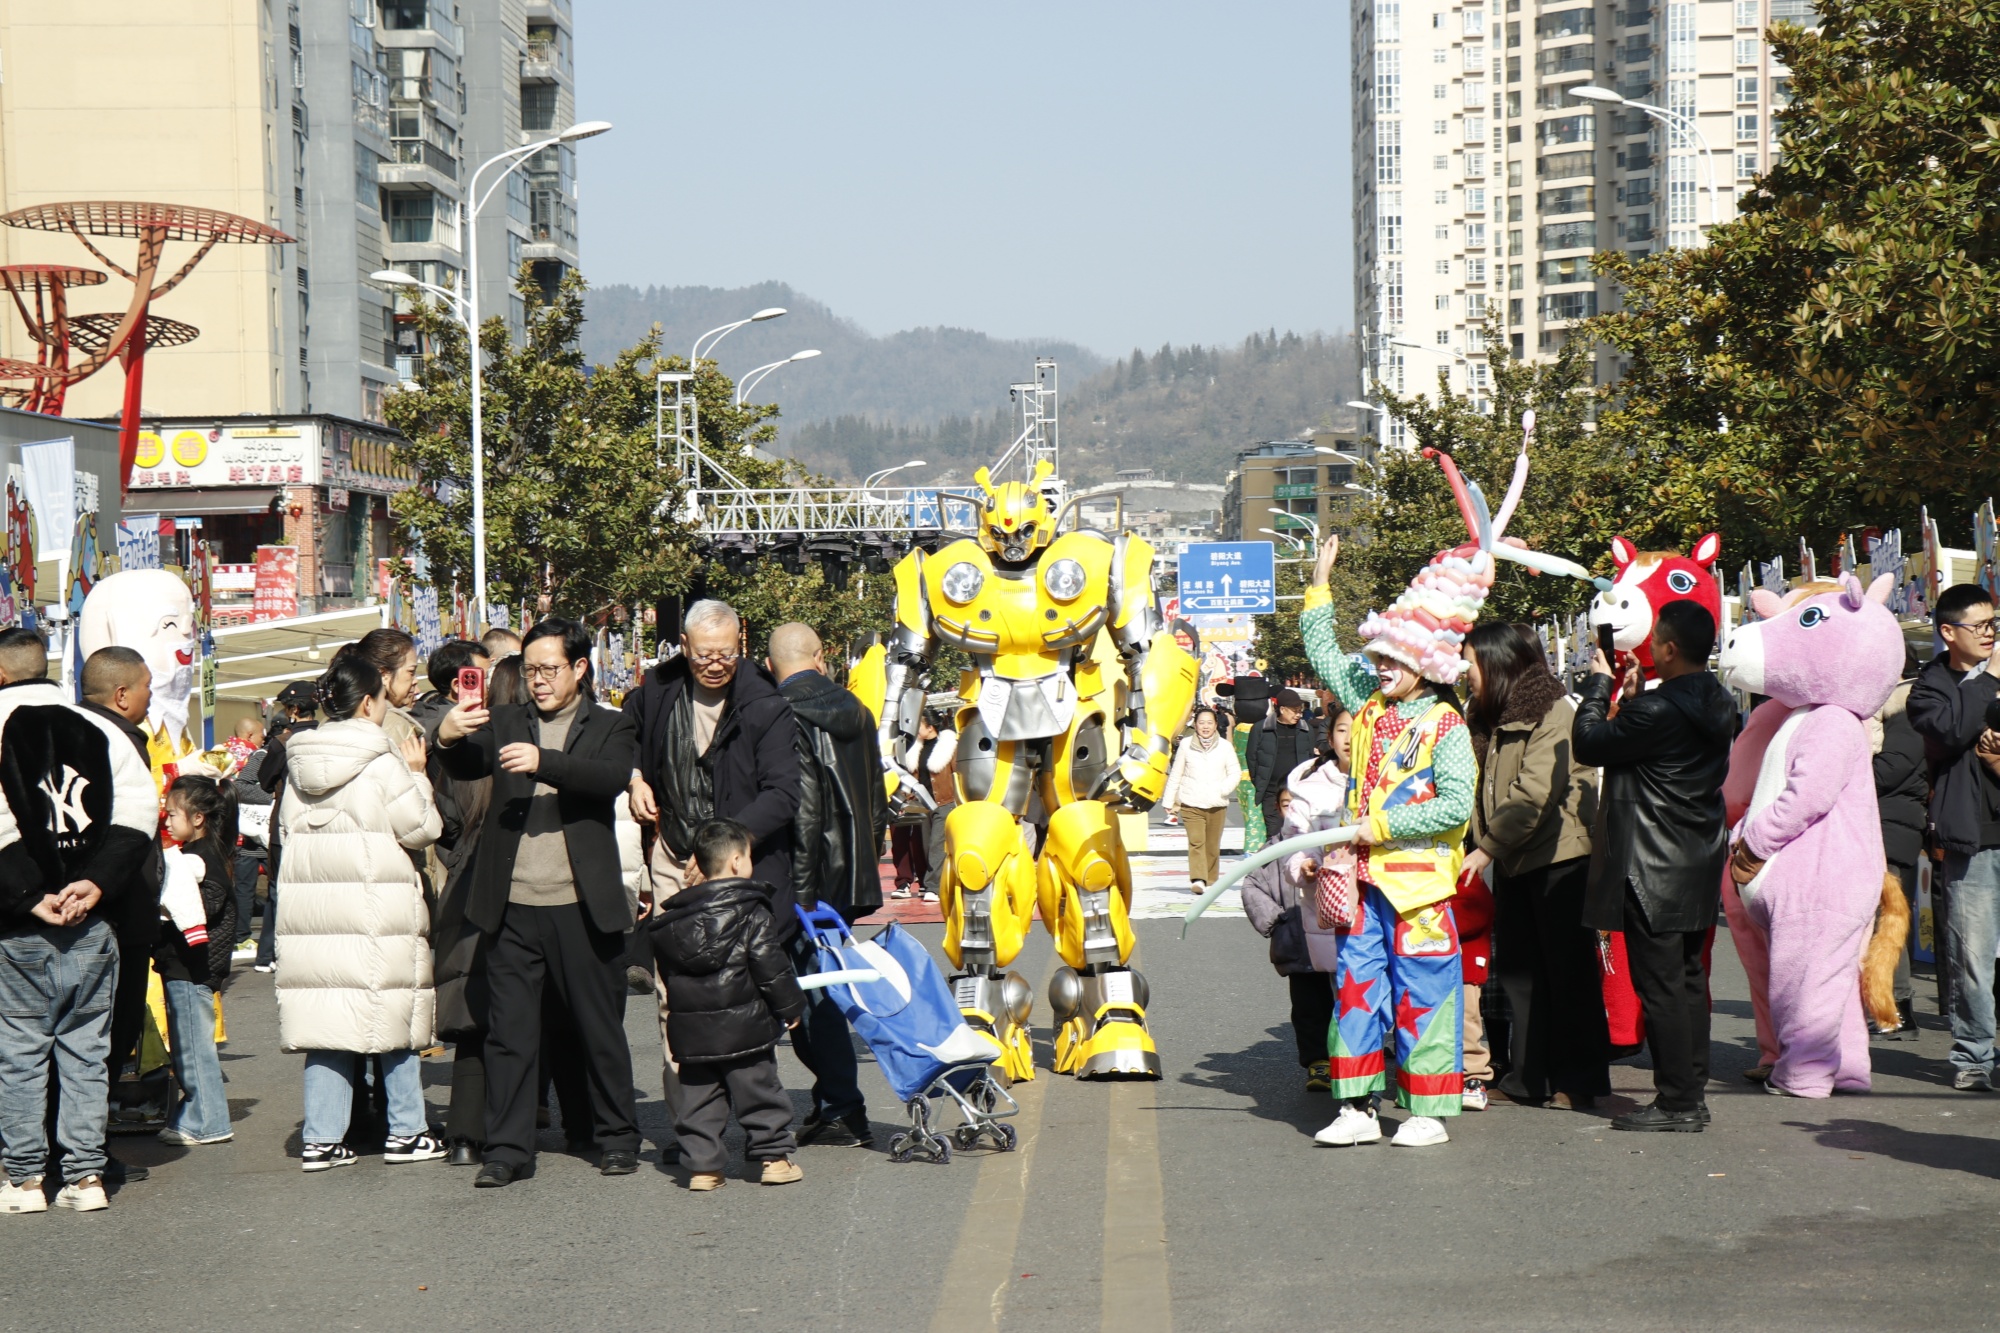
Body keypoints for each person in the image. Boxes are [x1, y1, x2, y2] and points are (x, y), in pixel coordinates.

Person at [438, 619, 643, 1188]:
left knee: (598, 1028)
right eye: (530, 671)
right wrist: (449, 736)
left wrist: (543, 762)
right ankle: (507, 1148)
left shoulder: (609, 723)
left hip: (582, 904)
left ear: (580, 668)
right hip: (513, 905)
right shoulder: (505, 721)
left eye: (550, 669)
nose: (539, 681)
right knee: (510, 1034)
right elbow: (464, 765)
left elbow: (609, 777)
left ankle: (618, 1138)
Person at [1303, 538, 1474, 1149]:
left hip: (1420, 890)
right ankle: (1357, 1107)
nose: (1379, 667)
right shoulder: (1370, 708)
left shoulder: (1446, 725)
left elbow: (1456, 807)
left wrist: (1381, 826)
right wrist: (1319, 581)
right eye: (1378, 656)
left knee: (1425, 994)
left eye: (1393, 659)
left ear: (1425, 663)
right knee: (1355, 990)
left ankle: (1429, 1112)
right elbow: (1323, 654)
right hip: (1361, 885)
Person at [623, 600, 801, 1138]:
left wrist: (726, 848)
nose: (715, 664)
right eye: (704, 655)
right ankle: (693, 1129)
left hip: (735, 868)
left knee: (739, 994)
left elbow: (783, 793)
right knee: (674, 997)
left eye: (725, 654)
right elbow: (621, 737)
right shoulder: (657, 690)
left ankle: (759, 1128)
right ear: (684, 645)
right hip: (673, 856)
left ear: (740, 644)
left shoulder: (765, 703)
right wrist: (635, 779)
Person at [0, 628, 157, 1214]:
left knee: (20, 1054)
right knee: (86, 1054)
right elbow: (139, 809)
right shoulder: (94, 726)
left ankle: (23, 1179)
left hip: (18, 926)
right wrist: (95, 881)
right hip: (92, 918)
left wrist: (25, 891)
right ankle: (85, 1177)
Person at [274, 648, 445, 1171]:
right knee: (392, 1021)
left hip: (314, 917)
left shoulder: (298, 763)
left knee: (328, 1025)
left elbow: (283, 833)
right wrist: (417, 776)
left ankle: (322, 1139)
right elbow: (423, 828)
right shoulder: (382, 761)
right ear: (370, 703)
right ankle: (407, 1131)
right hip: (376, 910)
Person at [1574, 600, 1735, 1132]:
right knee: (1688, 979)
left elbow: (1590, 742)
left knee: (1662, 985)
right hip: (1695, 856)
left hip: (1650, 863)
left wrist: (1599, 687)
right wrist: (1636, 700)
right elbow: (1657, 750)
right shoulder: (1718, 701)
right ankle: (1691, 1091)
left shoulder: (1658, 710)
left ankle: (1677, 1102)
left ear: (1668, 648)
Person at [1460, 622, 1609, 1110]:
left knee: (1567, 974)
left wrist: (1487, 848)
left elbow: (1534, 793)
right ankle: (1529, 1078)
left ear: (1499, 663)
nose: (1467, 672)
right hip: (1513, 858)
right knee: (1521, 974)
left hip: (1558, 856)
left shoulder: (1553, 710)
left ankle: (1581, 1081)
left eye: (1472, 662)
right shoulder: (1484, 714)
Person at [768, 622, 884, 1146]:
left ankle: (841, 1103)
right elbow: (878, 796)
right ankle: (835, 1101)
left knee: (812, 994)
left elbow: (807, 808)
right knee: (822, 988)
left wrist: (801, 890)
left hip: (805, 876)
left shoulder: (780, 712)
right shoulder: (857, 711)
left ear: (772, 664)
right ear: (820, 656)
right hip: (848, 871)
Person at [648, 818, 808, 1190]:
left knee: (699, 1100)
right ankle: (774, 1159)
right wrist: (790, 1007)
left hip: (692, 1030)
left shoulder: (671, 920)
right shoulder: (751, 909)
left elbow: (667, 975)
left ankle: (704, 1168)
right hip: (745, 1024)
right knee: (759, 1091)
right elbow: (770, 966)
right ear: (737, 862)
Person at [1906, 583, 2000, 1090]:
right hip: (1973, 838)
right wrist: (1990, 682)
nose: (1990, 634)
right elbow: (1949, 731)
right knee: (1973, 956)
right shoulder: (1930, 687)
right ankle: (1974, 1056)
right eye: (1980, 625)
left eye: (1993, 624)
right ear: (1948, 632)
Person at [76, 645, 161, 1183]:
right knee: (101, 1038)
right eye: (148, 686)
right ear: (123, 694)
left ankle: (71, 1148)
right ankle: (84, 1151)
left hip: (102, 911)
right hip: (114, 914)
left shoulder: (71, 735)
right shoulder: (114, 742)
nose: (153, 696)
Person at [155, 775, 238, 1146]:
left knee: (192, 1048)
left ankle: (206, 1121)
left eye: (173, 813)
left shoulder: (197, 858)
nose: (167, 820)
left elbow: (206, 906)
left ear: (198, 817)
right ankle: (201, 1116)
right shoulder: (207, 852)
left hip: (192, 965)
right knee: (190, 1045)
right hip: (191, 965)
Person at [1871, 647, 1928, 1040]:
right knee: (1884, 919)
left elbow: (1890, 770)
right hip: (1888, 824)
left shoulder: (1906, 712)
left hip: (1892, 827)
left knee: (1887, 920)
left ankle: (1896, 1009)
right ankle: (1890, 1007)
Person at [254, 680, 321, 974]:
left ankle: (270, 953)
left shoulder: (282, 743)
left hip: (285, 821)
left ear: (293, 709)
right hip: (321, 822)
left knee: (278, 890)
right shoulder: (328, 736)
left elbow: (265, 781)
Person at [1164, 705, 1244, 893]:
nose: (1205, 727)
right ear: (1195, 724)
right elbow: (1176, 773)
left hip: (1217, 803)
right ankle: (1198, 879)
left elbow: (1235, 772)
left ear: (1216, 725)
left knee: (1212, 844)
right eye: (1201, 723)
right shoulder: (1186, 745)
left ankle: (1211, 879)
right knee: (1196, 841)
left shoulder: (1225, 747)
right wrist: (1168, 801)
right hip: (1191, 802)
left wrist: (1223, 790)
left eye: (1209, 723)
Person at [1247, 688, 1322, 845]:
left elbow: (1309, 759)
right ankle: (1274, 869)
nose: (1298, 715)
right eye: (1294, 711)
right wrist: (1260, 782)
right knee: (1273, 835)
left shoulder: (1305, 729)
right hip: (1270, 792)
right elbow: (1252, 758)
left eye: (1300, 711)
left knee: (1297, 834)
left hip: (1295, 791)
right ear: (1282, 709)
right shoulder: (1261, 729)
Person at [889, 713, 938, 897]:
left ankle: (924, 878)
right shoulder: (893, 736)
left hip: (917, 794)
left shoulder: (919, 741)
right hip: (896, 789)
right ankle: (903, 881)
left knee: (921, 837)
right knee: (899, 836)